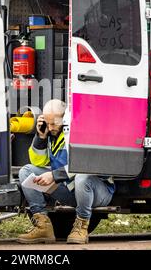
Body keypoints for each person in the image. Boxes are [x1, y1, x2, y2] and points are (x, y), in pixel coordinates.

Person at [17, 99, 115, 244]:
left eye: (54, 123)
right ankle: (42, 226)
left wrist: (54, 175)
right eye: (47, 123)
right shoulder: (51, 133)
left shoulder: (79, 130)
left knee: (82, 178)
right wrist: (41, 138)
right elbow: (39, 163)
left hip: (97, 190)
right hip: (70, 189)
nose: (50, 128)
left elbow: (84, 163)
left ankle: (81, 227)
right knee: (26, 171)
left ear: (65, 118)